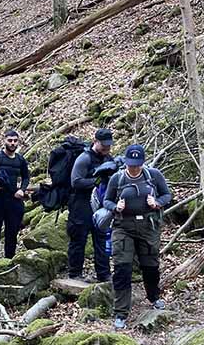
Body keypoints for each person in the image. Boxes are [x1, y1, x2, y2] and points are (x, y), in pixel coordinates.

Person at [103, 144, 172, 330]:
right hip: (123, 227)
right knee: (122, 268)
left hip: (148, 226)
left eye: (137, 165)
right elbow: (106, 200)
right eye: (131, 165)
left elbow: (167, 195)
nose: (134, 168)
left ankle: (154, 297)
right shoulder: (117, 178)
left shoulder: (153, 176)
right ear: (126, 162)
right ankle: (121, 312)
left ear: (143, 163)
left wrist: (157, 203)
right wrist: (115, 207)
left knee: (150, 265)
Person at [67, 128, 116, 282]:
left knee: (101, 238)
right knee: (78, 239)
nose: (106, 149)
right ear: (95, 142)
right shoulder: (84, 158)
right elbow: (75, 181)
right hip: (81, 204)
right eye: (104, 145)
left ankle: (104, 274)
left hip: (101, 204)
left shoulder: (108, 158)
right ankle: (75, 273)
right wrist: (96, 181)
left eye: (109, 146)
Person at [0, 130, 30, 260]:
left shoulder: (20, 160)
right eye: (10, 140)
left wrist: (22, 189)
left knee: (12, 231)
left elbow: (26, 177)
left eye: (15, 140)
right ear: (4, 140)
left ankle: (9, 260)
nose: (12, 143)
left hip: (14, 199)